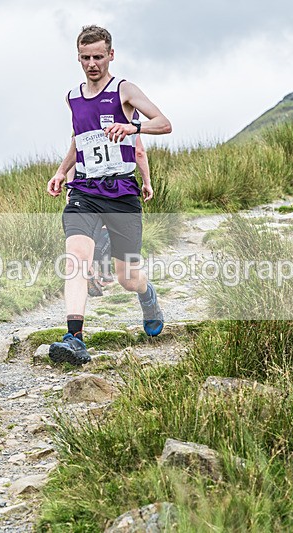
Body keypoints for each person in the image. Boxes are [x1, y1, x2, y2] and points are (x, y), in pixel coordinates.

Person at [47, 25, 171, 365]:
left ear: (110, 55)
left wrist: (133, 127)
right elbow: (79, 137)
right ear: (78, 57)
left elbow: (164, 122)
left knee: (127, 277)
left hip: (121, 193)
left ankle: (147, 296)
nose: (92, 64)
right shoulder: (72, 96)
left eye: (98, 57)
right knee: (76, 258)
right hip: (84, 190)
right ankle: (74, 337)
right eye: (85, 58)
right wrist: (61, 171)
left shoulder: (124, 89)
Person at [87, 132, 151, 297]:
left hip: (104, 191)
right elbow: (139, 152)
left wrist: (69, 183)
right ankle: (97, 272)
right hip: (96, 191)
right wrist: (146, 182)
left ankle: (99, 271)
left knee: (129, 281)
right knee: (85, 245)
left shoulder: (83, 112)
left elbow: (74, 149)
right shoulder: (128, 114)